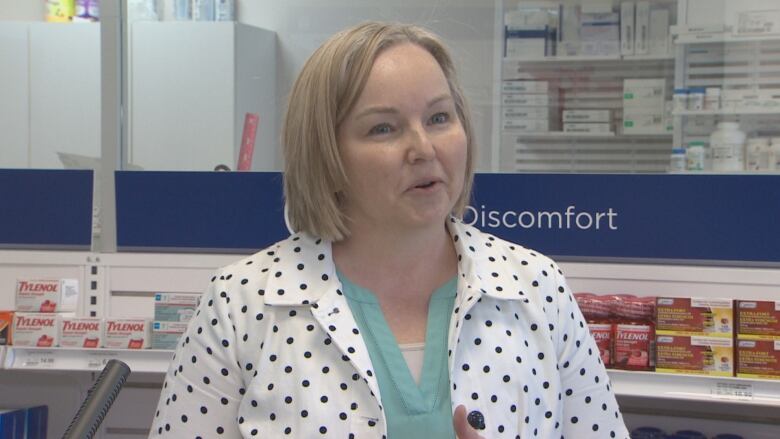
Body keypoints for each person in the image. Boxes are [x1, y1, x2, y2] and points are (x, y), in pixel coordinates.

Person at [149, 21, 630, 439]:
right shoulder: (243, 303)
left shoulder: (535, 287)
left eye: (440, 117)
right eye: (384, 128)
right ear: (326, 154)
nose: (424, 147)